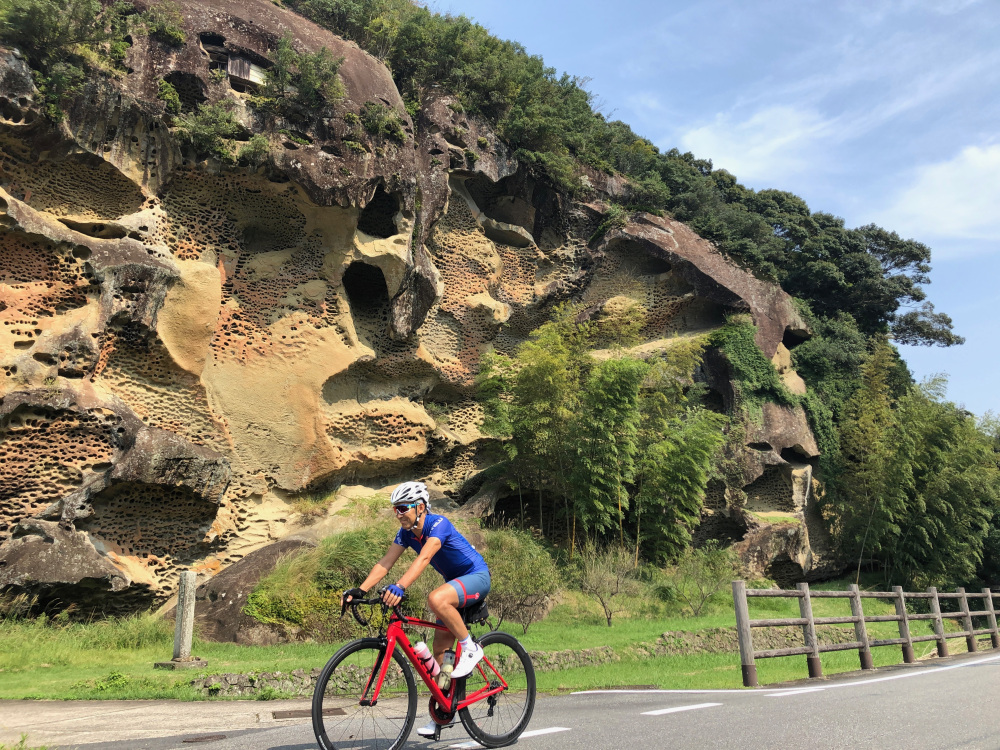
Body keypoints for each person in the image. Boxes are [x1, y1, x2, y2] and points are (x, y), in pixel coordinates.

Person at [343, 480, 491, 738]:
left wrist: (400, 586)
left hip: (476, 576)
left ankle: (470, 647)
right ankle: (442, 713)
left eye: (403, 508)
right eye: (395, 509)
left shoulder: (438, 524)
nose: (398, 514)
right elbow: (384, 563)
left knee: (435, 599)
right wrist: (361, 590)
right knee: (440, 655)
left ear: (420, 507)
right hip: (454, 584)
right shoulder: (406, 534)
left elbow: (424, 558)